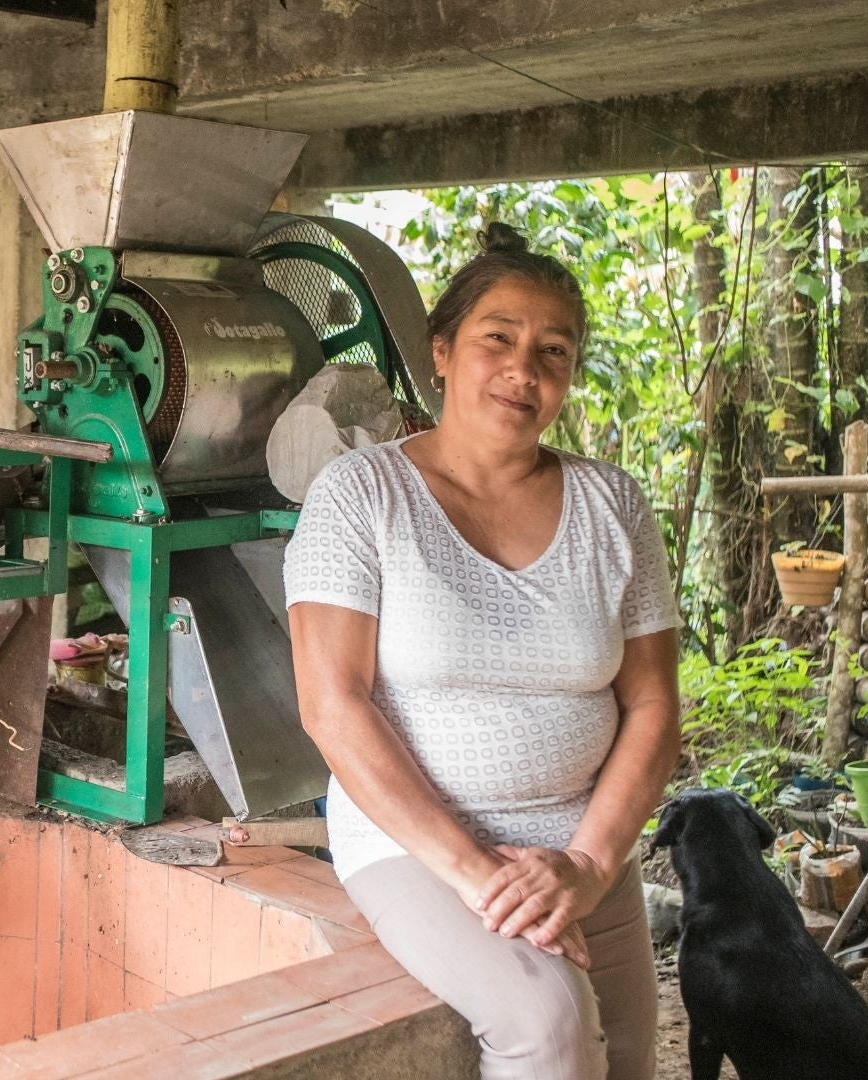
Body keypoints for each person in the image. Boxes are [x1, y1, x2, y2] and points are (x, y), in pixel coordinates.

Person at [283, 222, 682, 1080]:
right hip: (417, 846)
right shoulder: (362, 494)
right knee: (547, 1025)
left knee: (633, 1061)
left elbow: (653, 704)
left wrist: (585, 863)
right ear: (442, 352)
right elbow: (332, 704)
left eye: (554, 351)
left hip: (581, 850)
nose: (524, 370)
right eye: (497, 339)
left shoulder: (614, 504)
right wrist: (474, 874)